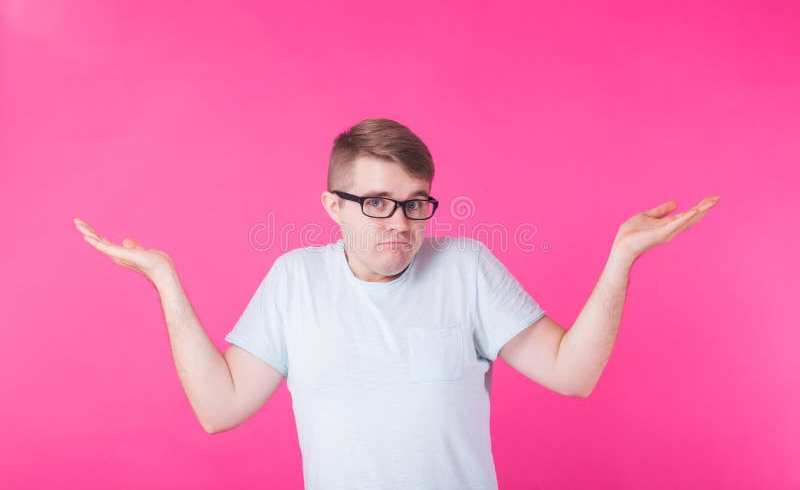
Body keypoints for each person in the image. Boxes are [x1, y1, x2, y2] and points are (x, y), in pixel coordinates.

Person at [74, 118, 720, 490]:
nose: (400, 223)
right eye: (377, 202)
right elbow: (220, 409)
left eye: (415, 202)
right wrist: (165, 282)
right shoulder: (294, 279)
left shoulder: (466, 267)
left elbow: (572, 375)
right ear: (334, 207)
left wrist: (622, 258)